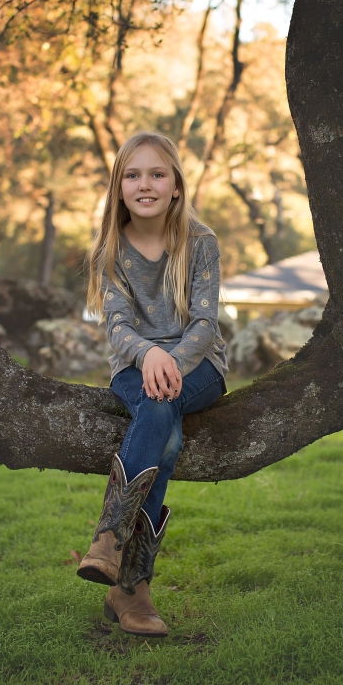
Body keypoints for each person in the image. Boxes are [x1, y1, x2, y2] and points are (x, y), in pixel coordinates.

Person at [76, 132, 228, 637]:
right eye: (134, 174)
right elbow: (117, 327)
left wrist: (172, 359)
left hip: (199, 365)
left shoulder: (201, 243)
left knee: (163, 401)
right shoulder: (110, 250)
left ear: (177, 187)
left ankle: (110, 541)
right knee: (166, 425)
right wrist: (149, 354)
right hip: (132, 365)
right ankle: (132, 590)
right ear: (119, 187)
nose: (146, 184)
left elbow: (205, 325)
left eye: (157, 173)